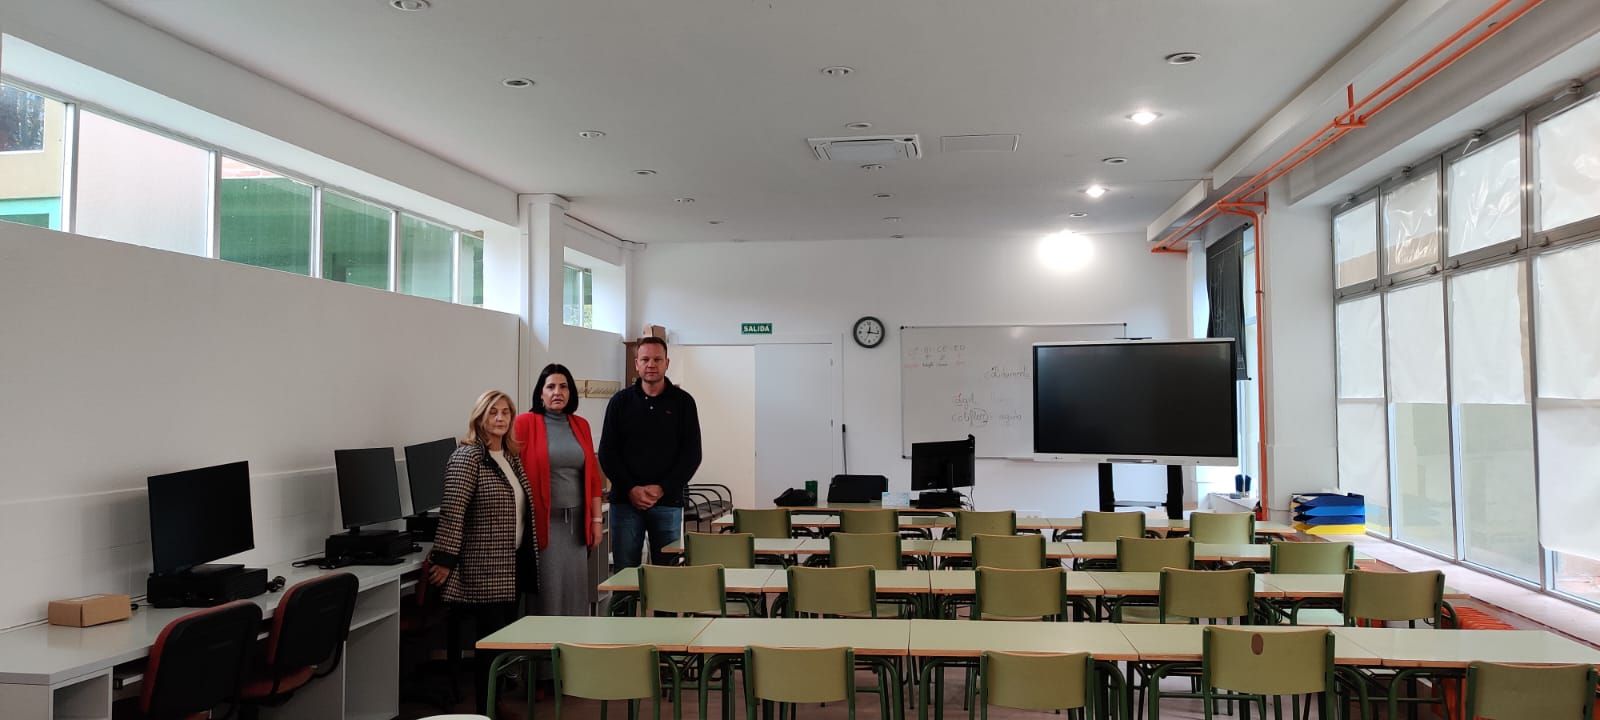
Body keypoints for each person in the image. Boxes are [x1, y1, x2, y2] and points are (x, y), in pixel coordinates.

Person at [428, 390, 538, 717]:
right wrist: (445, 561)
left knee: (503, 642)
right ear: (480, 417)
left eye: (506, 412)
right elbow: (453, 511)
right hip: (483, 569)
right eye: (493, 413)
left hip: (510, 564)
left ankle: (495, 701)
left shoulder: (511, 456)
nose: (501, 418)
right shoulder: (467, 458)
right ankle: (486, 708)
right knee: (489, 645)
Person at [599, 336, 703, 569]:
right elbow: (607, 452)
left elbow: (691, 455)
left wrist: (662, 487)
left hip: (668, 502)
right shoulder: (619, 402)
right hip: (626, 503)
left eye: (657, 359)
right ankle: (626, 608)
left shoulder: (684, 403)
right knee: (625, 571)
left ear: (667, 363)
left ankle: (664, 608)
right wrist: (631, 489)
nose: (651, 364)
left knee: (666, 573)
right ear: (636, 363)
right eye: (645, 359)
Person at [513, 363, 604, 617]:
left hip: (576, 523)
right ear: (540, 393)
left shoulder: (580, 425)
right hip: (543, 523)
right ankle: (543, 652)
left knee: (575, 589)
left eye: (563, 387)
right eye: (550, 386)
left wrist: (596, 521)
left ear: (571, 392)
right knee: (548, 591)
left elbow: (593, 479)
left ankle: (572, 649)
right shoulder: (525, 423)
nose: (557, 392)